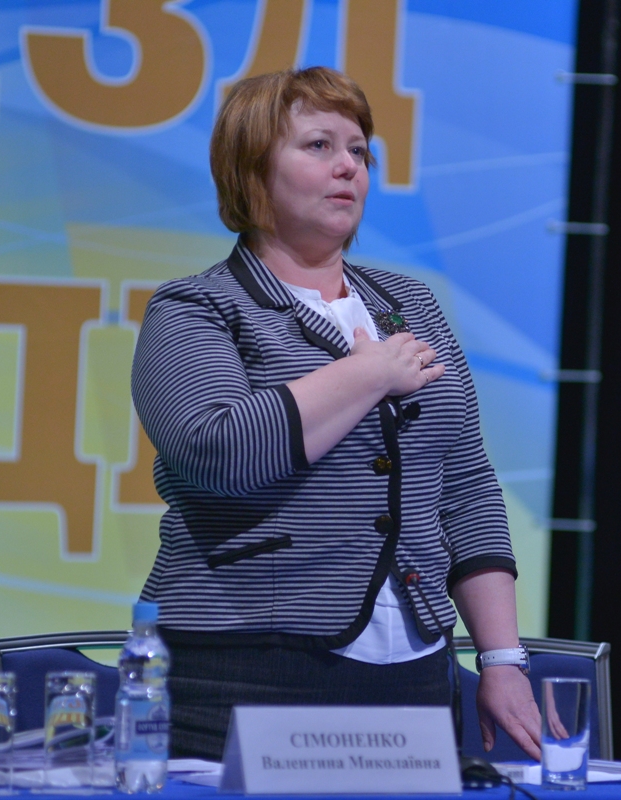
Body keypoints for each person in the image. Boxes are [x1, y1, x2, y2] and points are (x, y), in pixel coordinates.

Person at [131, 67, 541, 761]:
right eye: (319, 146)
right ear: (252, 167)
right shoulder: (197, 308)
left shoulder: (410, 304)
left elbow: (467, 484)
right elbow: (218, 451)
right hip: (247, 663)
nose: (348, 166)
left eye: (359, 150)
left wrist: (501, 657)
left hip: (416, 669)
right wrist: (368, 373)